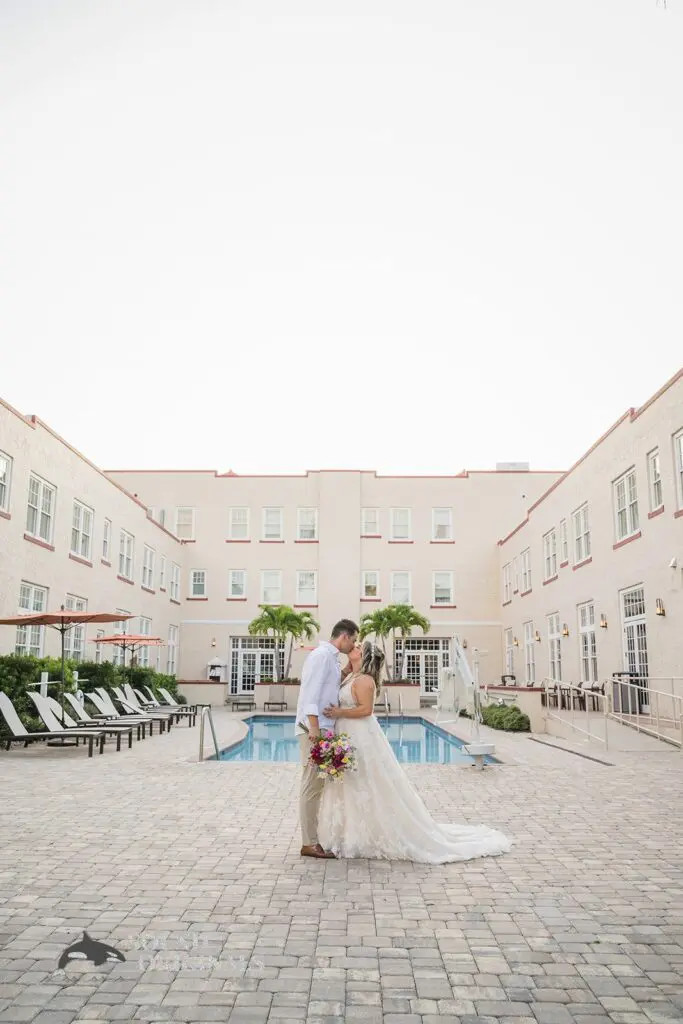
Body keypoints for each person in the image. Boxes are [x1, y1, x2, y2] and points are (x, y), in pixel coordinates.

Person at [317, 640, 512, 863]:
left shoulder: (364, 680)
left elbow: (365, 710)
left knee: (363, 780)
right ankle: (347, 833)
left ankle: (363, 835)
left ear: (365, 656)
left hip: (359, 734)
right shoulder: (353, 676)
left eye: (359, 647)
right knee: (351, 782)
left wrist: (339, 712)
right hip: (349, 732)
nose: (354, 646)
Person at [295, 618, 359, 859]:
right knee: (311, 786)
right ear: (344, 636)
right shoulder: (321, 656)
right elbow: (310, 694)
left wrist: (347, 671)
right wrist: (314, 728)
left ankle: (313, 839)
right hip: (314, 728)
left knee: (318, 786)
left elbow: (328, 687)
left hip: (323, 728)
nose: (353, 645)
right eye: (353, 640)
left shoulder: (331, 659)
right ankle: (309, 843)